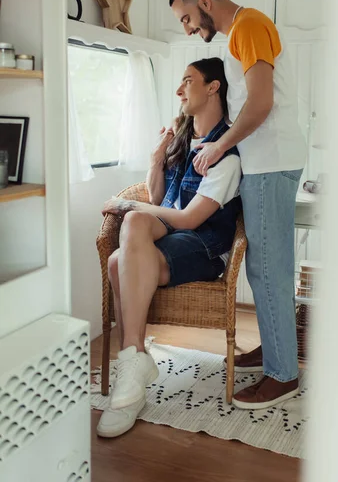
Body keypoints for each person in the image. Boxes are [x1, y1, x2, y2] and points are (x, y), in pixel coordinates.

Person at [169, 0, 307, 410]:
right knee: (265, 268)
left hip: (272, 163)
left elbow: (261, 102)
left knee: (268, 270)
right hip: (267, 161)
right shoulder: (242, 33)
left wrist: (219, 145)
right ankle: (274, 350)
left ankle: (282, 374)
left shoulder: (247, 26)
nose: (188, 28)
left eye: (188, 17)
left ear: (205, 2)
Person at [97, 57, 242, 437]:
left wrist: (131, 205)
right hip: (173, 235)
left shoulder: (225, 154)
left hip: (205, 247)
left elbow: (192, 219)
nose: (179, 91)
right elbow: (160, 196)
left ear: (213, 88)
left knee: (124, 248)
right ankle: (136, 358)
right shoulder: (184, 139)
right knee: (120, 254)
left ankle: (131, 368)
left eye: (187, 81)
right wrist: (156, 158)